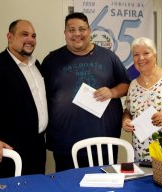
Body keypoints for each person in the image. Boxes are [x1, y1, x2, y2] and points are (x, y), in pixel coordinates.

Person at [41, 12, 130, 172]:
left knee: (104, 185)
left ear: (89, 31)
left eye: (81, 29)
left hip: (103, 142)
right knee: (67, 186)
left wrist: (112, 92)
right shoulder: (51, 60)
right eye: (71, 29)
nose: (77, 34)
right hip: (65, 142)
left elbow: (126, 85)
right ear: (65, 33)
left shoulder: (108, 57)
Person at [0, 19, 48, 178]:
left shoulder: (36, 65)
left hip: (37, 147)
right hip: (8, 150)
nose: (30, 39)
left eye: (33, 36)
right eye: (24, 34)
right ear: (10, 36)